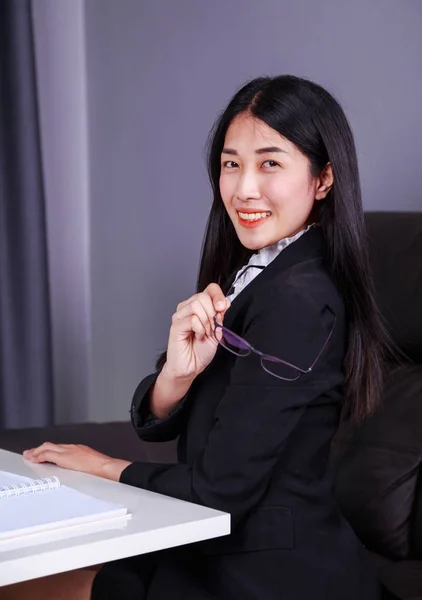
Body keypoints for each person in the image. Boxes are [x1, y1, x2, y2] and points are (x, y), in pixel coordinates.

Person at [1, 75, 392, 600]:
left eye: (270, 163)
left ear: (323, 179)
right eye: (232, 164)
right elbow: (159, 425)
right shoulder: (261, 271)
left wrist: (98, 465)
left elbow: (221, 490)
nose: (244, 189)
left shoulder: (300, 299)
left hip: (267, 570)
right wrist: (176, 375)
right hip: (212, 542)